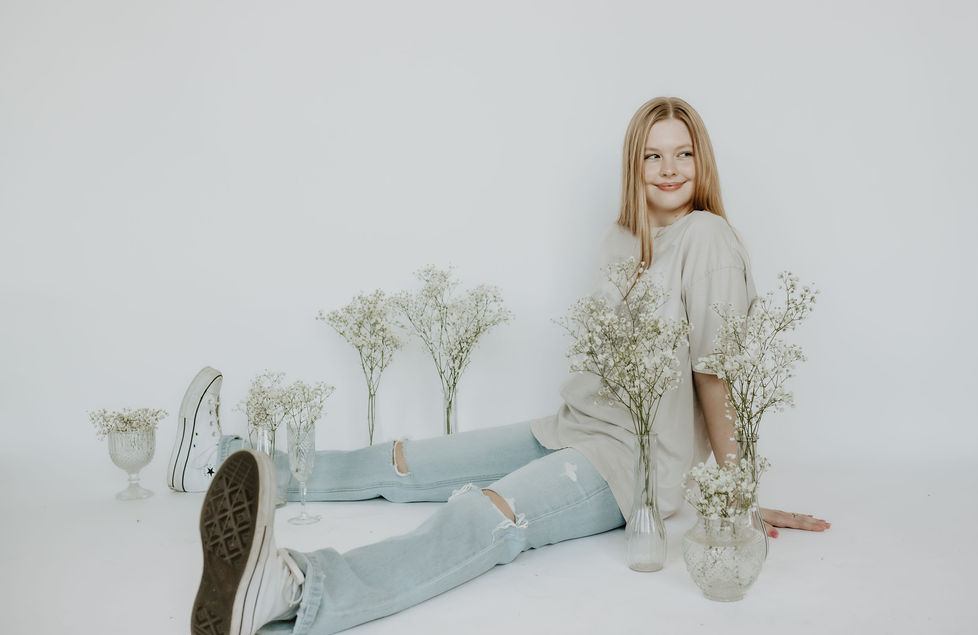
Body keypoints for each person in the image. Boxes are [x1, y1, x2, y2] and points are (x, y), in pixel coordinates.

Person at [178, 96, 831, 635]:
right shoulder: (622, 239)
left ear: (702, 160)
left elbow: (716, 373)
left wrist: (736, 497)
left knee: (488, 513)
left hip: (628, 464)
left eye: (683, 153)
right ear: (633, 166)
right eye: (652, 155)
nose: (669, 168)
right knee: (409, 462)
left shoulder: (708, 239)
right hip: (571, 425)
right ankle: (231, 458)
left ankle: (294, 588)